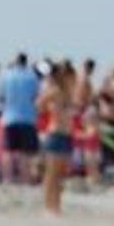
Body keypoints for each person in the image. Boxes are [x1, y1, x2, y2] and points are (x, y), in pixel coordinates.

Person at [39, 61, 75, 214]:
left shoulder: (68, 92)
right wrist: (50, 110)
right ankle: (49, 206)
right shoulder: (55, 91)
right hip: (55, 133)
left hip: (66, 135)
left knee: (61, 174)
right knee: (51, 173)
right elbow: (39, 103)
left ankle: (56, 205)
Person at [0, 53, 41, 185]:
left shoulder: (6, 76)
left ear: (15, 61)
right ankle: (25, 179)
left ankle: (7, 179)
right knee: (25, 152)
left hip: (9, 118)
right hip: (28, 118)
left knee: (7, 151)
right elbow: (36, 97)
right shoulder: (32, 77)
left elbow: (1, 96)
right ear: (26, 62)